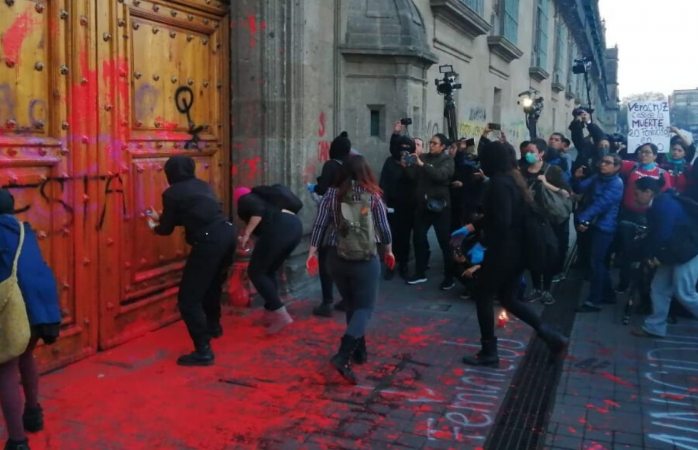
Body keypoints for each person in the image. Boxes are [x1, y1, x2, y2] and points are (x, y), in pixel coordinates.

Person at [460, 141, 568, 367]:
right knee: (508, 298)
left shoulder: (499, 184)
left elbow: (501, 221)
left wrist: (483, 250)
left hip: (504, 250)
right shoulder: (513, 179)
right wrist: (474, 227)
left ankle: (489, 350)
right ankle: (552, 336)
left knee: (483, 294)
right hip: (518, 250)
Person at [307, 155, 394, 384]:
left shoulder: (331, 195)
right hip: (365, 259)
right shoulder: (373, 195)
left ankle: (359, 350)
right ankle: (343, 354)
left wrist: (312, 250)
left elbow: (320, 224)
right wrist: (389, 250)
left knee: (351, 304)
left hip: (336, 257)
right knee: (364, 307)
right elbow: (384, 229)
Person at [147, 155, 236, 366]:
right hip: (227, 233)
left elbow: (167, 228)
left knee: (188, 299)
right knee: (212, 286)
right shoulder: (201, 185)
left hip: (208, 242)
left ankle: (203, 351)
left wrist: (155, 226)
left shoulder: (171, 193)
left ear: (170, 172)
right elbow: (194, 213)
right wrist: (163, 216)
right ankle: (214, 327)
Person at [0, 189, 61, 450]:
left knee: (5, 367)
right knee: (26, 356)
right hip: (40, 303)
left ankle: (17, 441)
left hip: (16, 305)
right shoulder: (24, 229)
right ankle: (33, 414)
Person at [631, 177, 698, 337]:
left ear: (648, 192)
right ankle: (655, 327)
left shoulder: (663, 205)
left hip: (688, 252)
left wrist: (654, 257)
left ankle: (655, 326)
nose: (634, 197)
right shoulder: (659, 203)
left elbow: (663, 234)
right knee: (659, 288)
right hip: (673, 252)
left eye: (636, 193)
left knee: (685, 292)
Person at [236, 185, 303, 334]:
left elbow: (257, 214)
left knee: (255, 272)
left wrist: (246, 234)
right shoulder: (269, 202)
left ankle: (281, 315)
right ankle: (270, 312)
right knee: (269, 270)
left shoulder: (246, 199)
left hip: (280, 228)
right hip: (295, 227)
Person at [307, 132, 351, 317]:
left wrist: (313, 187)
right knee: (344, 264)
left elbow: (323, 188)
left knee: (327, 264)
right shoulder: (350, 167)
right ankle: (347, 299)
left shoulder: (331, 165)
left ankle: (327, 302)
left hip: (331, 220)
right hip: (347, 220)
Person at [572, 154, 624, 312]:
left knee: (597, 263)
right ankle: (607, 294)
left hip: (604, 227)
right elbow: (580, 188)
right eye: (602, 161)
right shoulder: (598, 177)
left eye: (608, 163)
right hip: (594, 224)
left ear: (616, 167)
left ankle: (594, 300)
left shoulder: (616, 183)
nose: (603, 165)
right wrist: (576, 178)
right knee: (597, 262)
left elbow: (601, 204)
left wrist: (583, 218)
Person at [405, 133, 456, 289]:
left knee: (444, 242)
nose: (431, 145)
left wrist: (422, 165)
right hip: (423, 206)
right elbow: (413, 177)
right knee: (419, 238)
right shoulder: (425, 157)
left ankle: (449, 277)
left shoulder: (447, 160)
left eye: (434, 143)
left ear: (442, 147)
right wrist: (408, 164)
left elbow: (441, 175)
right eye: (430, 142)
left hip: (440, 207)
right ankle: (420, 272)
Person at [379, 121, 418, 280]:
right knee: (391, 237)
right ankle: (390, 265)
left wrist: (406, 167)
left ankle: (403, 265)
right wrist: (383, 201)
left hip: (408, 206)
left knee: (404, 237)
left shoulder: (412, 163)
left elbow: (414, 180)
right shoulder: (390, 162)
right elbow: (384, 183)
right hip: (392, 206)